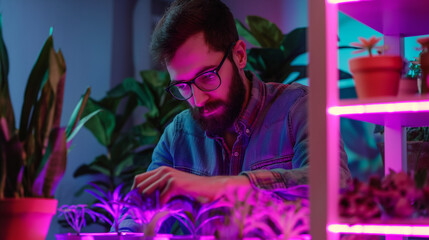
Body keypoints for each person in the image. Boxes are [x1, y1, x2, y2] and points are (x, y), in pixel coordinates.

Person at [128, 0, 351, 228]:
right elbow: (134, 220)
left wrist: (220, 187)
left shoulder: (299, 107)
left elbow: (335, 185)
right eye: (183, 86)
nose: (197, 100)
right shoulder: (177, 135)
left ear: (240, 55)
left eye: (207, 76)